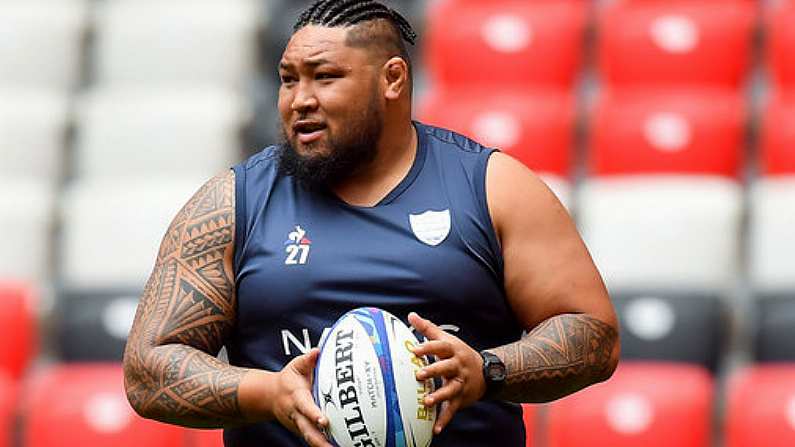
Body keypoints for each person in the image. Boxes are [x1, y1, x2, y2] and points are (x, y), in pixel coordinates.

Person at [122, 1, 620, 446]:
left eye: (325, 76)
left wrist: (488, 371)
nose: (300, 100)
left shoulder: (492, 188)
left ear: (393, 79)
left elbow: (593, 335)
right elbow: (149, 370)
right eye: (289, 78)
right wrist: (270, 392)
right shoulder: (233, 202)